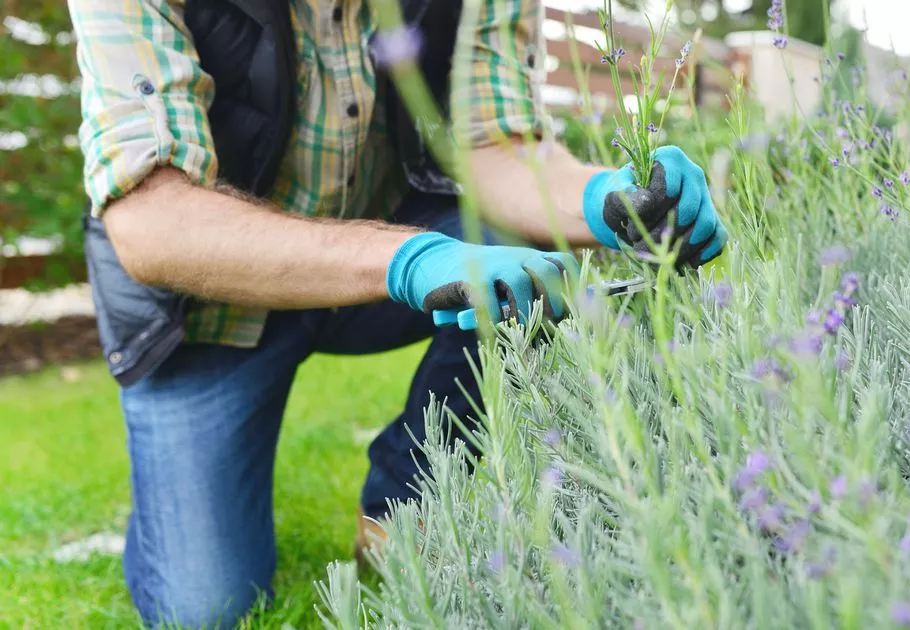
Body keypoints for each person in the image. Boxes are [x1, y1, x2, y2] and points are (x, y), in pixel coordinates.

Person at [68, 0, 727, 627]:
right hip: (212, 298)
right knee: (204, 606)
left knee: (523, 252)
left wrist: (600, 199)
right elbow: (155, 220)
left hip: (375, 262)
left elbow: (495, 144)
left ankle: (400, 500)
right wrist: (409, 259)